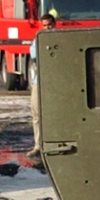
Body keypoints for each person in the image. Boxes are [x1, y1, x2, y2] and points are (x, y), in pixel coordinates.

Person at [27, 13, 56, 158]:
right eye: (44, 25)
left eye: (49, 25)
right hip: (40, 81)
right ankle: (38, 145)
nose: (47, 28)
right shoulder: (38, 40)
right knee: (37, 114)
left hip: (56, 82)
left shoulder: (61, 39)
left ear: (54, 24)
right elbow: (34, 56)